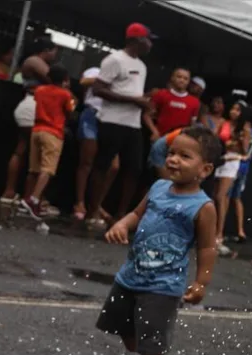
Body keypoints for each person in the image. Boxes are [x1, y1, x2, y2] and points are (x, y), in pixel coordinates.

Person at [97, 126, 222, 355]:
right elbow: (137, 213)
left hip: (163, 283)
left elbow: (207, 248)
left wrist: (201, 283)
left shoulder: (203, 206)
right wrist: (122, 224)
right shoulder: (158, 187)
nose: (173, 159)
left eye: (185, 156)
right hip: (132, 273)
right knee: (124, 321)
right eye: (171, 153)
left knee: (152, 330)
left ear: (205, 170)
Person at [86, 23, 153, 230]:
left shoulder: (142, 66)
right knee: (102, 166)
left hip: (133, 124)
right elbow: (98, 89)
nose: (150, 44)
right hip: (112, 121)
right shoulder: (114, 60)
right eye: (148, 39)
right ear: (136, 40)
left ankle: (122, 214)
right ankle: (93, 211)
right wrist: (134, 100)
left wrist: (143, 101)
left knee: (134, 168)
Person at [0, 37, 59, 208]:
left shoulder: (32, 62)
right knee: (38, 155)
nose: (55, 56)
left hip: (31, 106)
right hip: (34, 108)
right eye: (54, 52)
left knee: (23, 149)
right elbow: (53, 79)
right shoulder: (34, 60)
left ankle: (12, 192)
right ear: (46, 50)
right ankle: (31, 197)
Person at [20, 65, 76, 219]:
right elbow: (70, 111)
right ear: (65, 80)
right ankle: (34, 200)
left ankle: (26, 198)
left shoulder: (40, 90)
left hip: (37, 130)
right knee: (48, 169)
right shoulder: (65, 95)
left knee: (34, 168)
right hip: (53, 132)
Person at [73, 65, 119, 221]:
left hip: (113, 119)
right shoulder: (95, 71)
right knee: (87, 162)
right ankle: (79, 202)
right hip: (92, 115)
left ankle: (96, 204)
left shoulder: (125, 79)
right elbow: (84, 81)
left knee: (113, 166)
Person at [213, 100, 252, 255]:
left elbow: (245, 151)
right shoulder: (224, 122)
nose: (234, 112)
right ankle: (212, 231)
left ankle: (219, 235)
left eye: (238, 110)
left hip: (233, 161)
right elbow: (216, 139)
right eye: (233, 108)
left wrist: (241, 141)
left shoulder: (245, 129)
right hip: (221, 158)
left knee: (221, 196)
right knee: (215, 195)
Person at [228, 104, 252, 243]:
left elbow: (246, 151)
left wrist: (240, 139)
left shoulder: (247, 131)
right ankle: (241, 231)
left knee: (226, 197)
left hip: (237, 165)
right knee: (236, 198)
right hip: (244, 168)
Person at [144, 67, 200, 141]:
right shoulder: (161, 94)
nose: (182, 80)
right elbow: (147, 115)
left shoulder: (195, 102)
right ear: (172, 78)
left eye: (185, 78)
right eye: (179, 77)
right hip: (160, 139)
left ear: (188, 81)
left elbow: (192, 125)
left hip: (180, 141)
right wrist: (154, 132)